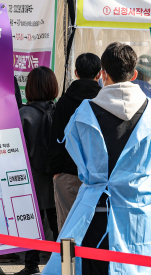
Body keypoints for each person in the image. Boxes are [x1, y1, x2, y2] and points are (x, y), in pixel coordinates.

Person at [43, 42, 151, 275]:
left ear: (104, 74)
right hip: (139, 206)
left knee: (93, 266)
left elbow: (75, 151)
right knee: (140, 267)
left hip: (96, 208)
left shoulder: (86, 111)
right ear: (135, 74)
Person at [48, 53, 101, 229]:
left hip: (68, 173)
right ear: (100, 74)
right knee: (95, 228)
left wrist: (57, 171)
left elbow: (56, 138)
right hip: (98, 175)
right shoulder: (103, 100)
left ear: (76, 73)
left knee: (69, 228)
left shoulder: (64, 101)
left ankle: (69, 259)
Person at [16, 66, 59, 275]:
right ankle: (61, 265)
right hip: (57, 178)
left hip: (32, 179)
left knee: (32, 223)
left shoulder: (24, 114)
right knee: (57, 222)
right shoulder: (60, 111)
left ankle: (31, 266)